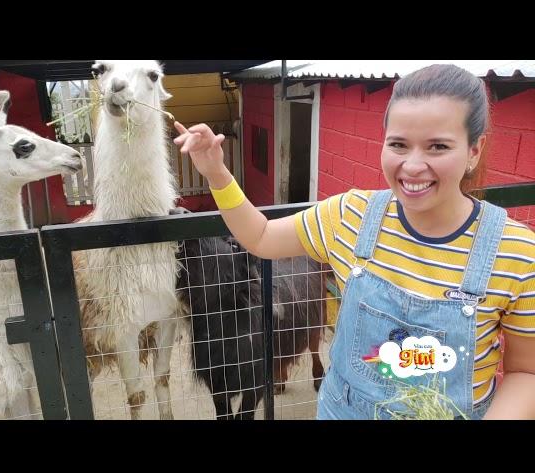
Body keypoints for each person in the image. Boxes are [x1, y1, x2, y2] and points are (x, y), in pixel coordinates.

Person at [173, 64, 535, 420]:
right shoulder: (351, 215)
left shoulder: (516, 253)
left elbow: (526, 373)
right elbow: (262, 237)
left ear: (474, 150)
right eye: (398, 144)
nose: (412, 165)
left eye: (438, 146)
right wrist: (216, 171)